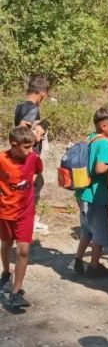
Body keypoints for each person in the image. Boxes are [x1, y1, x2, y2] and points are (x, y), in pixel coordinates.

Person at [73, 107, 108, 278]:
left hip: (82, 192)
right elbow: (100, 169)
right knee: (100, 232)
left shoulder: (89, 138)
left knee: (86, 230)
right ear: (104, 126)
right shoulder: (104, 143)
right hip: (96, 195)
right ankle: (94, 267)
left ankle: (78, 260)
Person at [0, 126, 44, 309]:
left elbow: (36, 171)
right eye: (26, 147)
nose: (30, 151)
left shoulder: (33, 157)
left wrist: (28, 183)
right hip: (5, 212)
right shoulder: (2, 159)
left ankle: (16, 293)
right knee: (7, 244)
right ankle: (5, 274)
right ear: (13, 144)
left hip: (25, 213)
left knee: (23, 250)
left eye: (32, 146)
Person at [14, 75, 50, 232]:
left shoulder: (20, 106)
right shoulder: (34, 108)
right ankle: (29, 219)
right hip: (30, 154)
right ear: (42, 93)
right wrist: (37, 135)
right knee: (35, 184)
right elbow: (23, 128)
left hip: (19, 153)